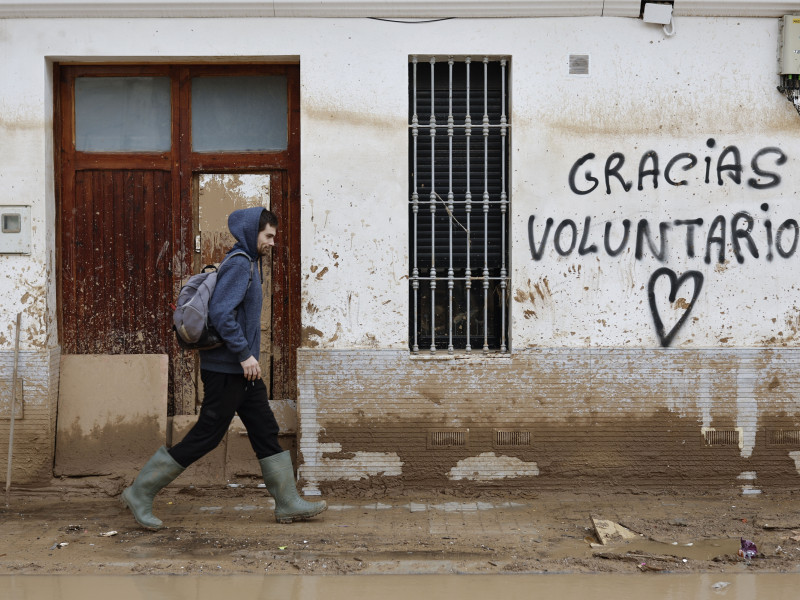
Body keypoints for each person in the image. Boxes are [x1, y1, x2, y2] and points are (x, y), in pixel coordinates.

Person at [121, 206, 326, 529]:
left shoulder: (249, 264)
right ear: (252, 233)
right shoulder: (240, 264)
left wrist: (247, 360)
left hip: (244, 373)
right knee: (207, 435)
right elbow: (220, 314)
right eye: (268, 236)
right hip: (228, 369)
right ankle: (140, 492)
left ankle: (287, 502)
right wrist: (245, 355)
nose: (272, 242)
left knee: (264, 429)